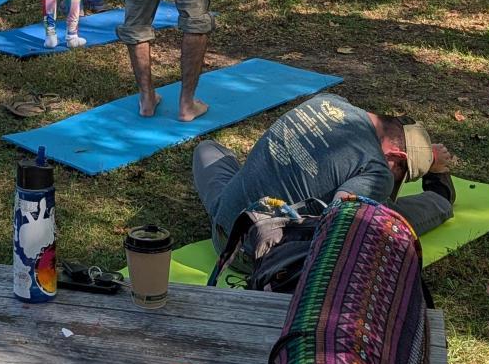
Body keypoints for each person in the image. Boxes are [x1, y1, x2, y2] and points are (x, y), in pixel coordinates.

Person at [193, 92, 456, 268]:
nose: (393, 180)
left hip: (225, 215)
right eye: (400, 173)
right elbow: (340, 229)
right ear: (396, 155)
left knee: (208, 150)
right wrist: (435, 169)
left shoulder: (329, 100)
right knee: (386, 218)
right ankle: (441, 196)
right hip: (253, 252)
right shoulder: (377, 169)